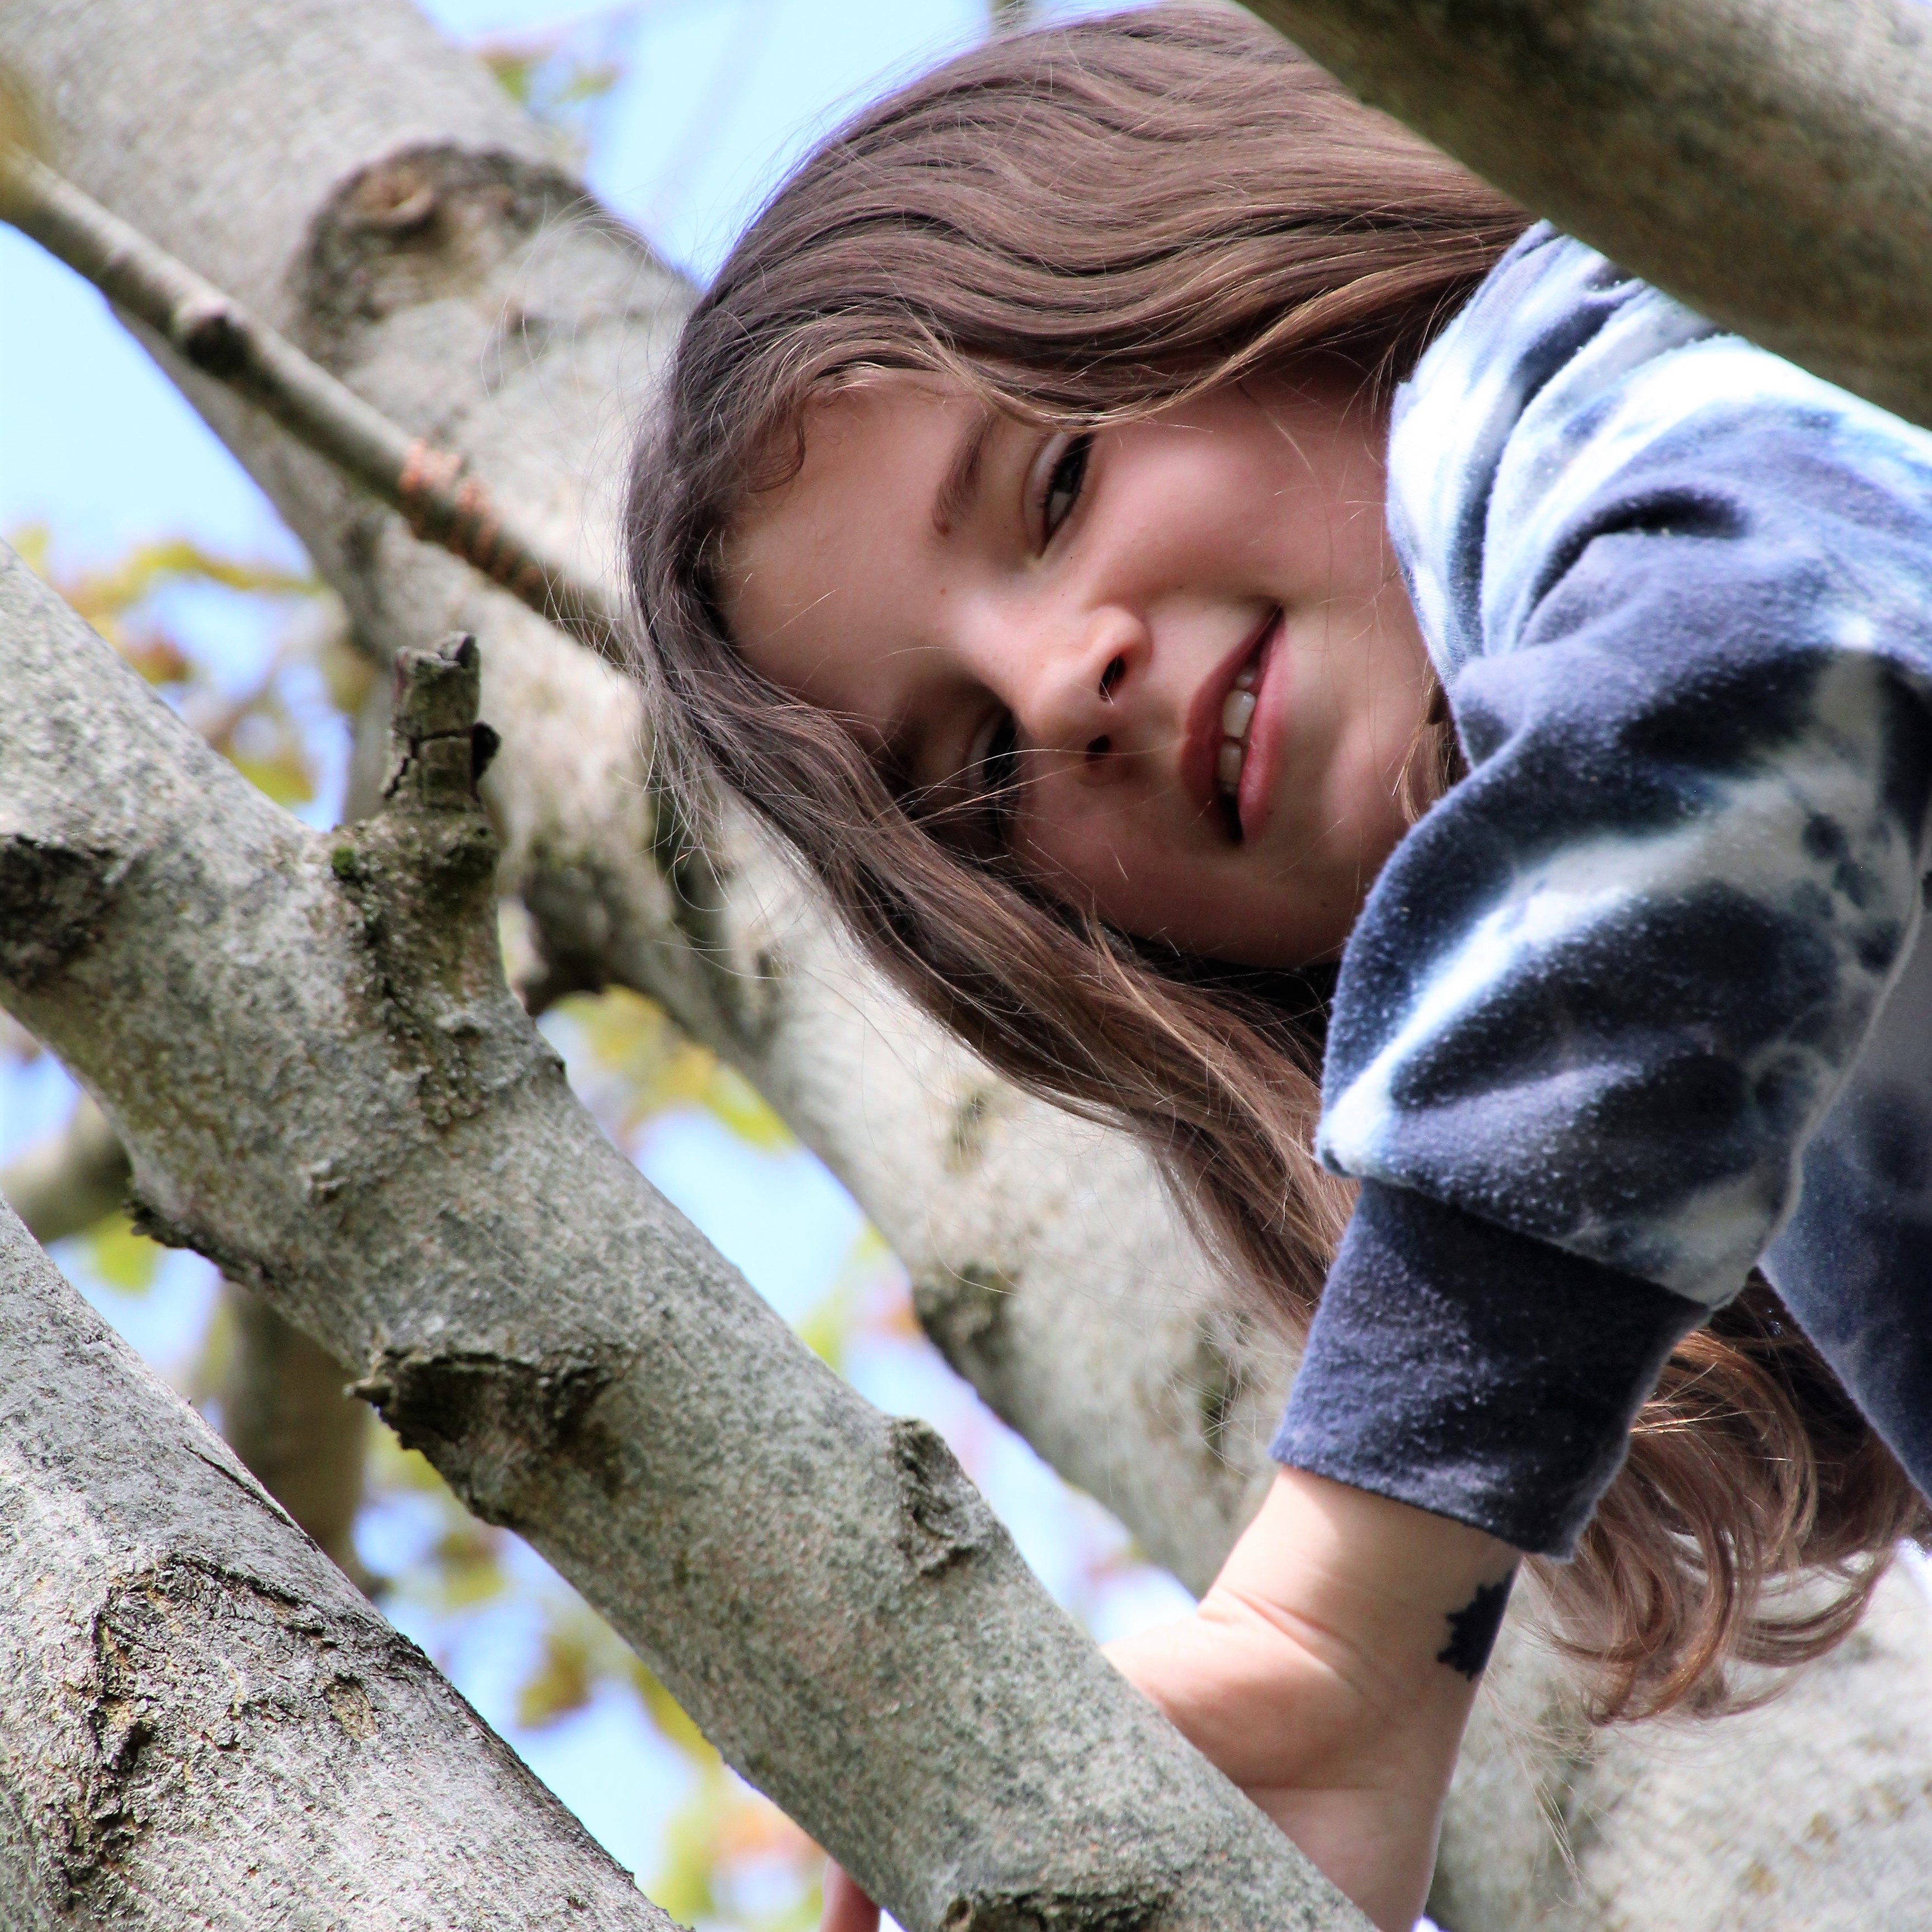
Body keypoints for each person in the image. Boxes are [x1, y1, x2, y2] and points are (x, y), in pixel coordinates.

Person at [624, 10, 1932, 1928]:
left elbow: (1754, 684)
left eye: (1056, 484)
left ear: (1231, 254)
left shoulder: (1594, 355)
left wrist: (1344, 1628)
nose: (1061, 681)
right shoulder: (1742, 1067)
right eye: (973, 768)